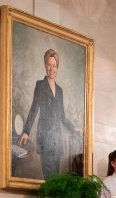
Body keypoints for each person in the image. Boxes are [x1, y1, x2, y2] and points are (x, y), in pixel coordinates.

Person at [19, 48, 80, 179]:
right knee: (49, 178)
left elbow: (62, 116)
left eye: (54, 65)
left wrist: (72, 128)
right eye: (49, 65)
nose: (51, 68)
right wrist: (26, 131)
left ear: (57, 67)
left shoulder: (60, 90)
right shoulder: (40, 85)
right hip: (45, 137)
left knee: (56, 178)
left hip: (57, 139)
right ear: (45, 65)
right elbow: (34, 108)